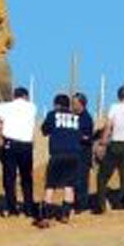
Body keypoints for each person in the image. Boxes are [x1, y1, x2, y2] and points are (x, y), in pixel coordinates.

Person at [0, 86, 38, 219]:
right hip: (26, 145)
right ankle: (28, 208)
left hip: (10, 144)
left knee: (9, 177)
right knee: (26, 177)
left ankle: (12, 208)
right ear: (25, 97)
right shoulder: (32, 107)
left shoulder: (5, 106)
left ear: (14, 96)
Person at [94, 85, 124, 213]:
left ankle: (101, 204)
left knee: (103, 176)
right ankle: (123, 203)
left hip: (115, 144)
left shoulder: (114, 108)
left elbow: (109, 126)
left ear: (118, 96)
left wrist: (103, 142)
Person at [39, 93, 83, 226]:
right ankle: (65, 215)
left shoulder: (53, 115)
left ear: (57, 105)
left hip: (57, 154)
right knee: (69, 186)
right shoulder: (76, 117)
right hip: (74, 155)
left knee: (50, 185)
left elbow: (44, 130)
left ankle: (45, 217)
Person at [71, 92, 97, 213]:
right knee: (73, 180)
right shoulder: (72, 117)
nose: (73, 106)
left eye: (75, 103)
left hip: (83, 154)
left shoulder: (87, 118)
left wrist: (77, 136)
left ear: (82, 104)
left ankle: (81, 205)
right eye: (72, 103)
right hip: (73, 153)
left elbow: (88, 137)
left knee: (82, 180)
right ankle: (76, 203)